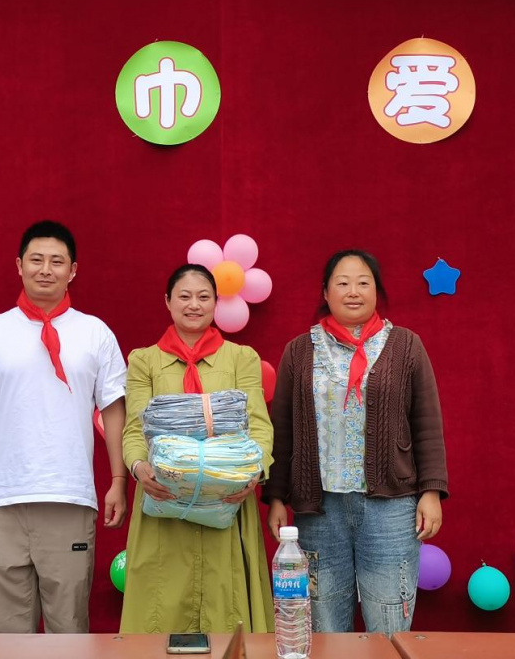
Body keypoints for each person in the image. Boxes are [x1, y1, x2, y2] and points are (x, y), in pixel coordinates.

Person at [0, 220, 129, 634]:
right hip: (1, 501)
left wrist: (118, 480)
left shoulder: (95, 333)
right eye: (36, 259)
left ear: (72, 270)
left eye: (57, 261)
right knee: (6, 631)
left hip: (69, 498)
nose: (45, 269)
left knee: (69, 628)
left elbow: (114, 410)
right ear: (19, 265)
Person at [263, 250, 448, 636]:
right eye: (342, 283)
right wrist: (277, 497)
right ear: (325, 292)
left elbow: (427, 423)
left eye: (363, 283)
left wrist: (431, 492)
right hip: (319, 509)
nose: (353, 291)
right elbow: (282, 428)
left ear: (376, 291)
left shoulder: (406, 345)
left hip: (390, 508)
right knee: (325, 620)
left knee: (389, 620)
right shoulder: (299, 351)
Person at [120, 264, 275, 634]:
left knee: (227, 615)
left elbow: (258, 425)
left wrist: (251, 475)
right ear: (168, 301)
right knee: (160, 614)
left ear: (216, 303)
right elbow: (134, 428)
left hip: (228, 501)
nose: (194, 305)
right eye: (185, 296)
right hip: (164, 502)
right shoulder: (144, 360)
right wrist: (140, 468)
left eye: (204, 297)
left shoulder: (242, 358)